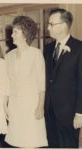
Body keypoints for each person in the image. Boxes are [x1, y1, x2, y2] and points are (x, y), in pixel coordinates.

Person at [5, 16, 48, 148]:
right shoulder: (9, 56)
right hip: (14, 104)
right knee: (16, 141)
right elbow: (6, 83)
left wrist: (40, 106)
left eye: (15, 32)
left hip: (31, 105)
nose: (12, 35)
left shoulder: (36, 54)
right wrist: (5, 106)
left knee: (31, 141)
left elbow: (41, 83)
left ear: (24, 34)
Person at [44, 8, 82, 148]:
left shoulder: (79, 48)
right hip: (49, 111)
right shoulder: (47, 49)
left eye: (51, 24)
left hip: (69, 113)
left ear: (64, 25)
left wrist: (80, 113)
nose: (48, 27)